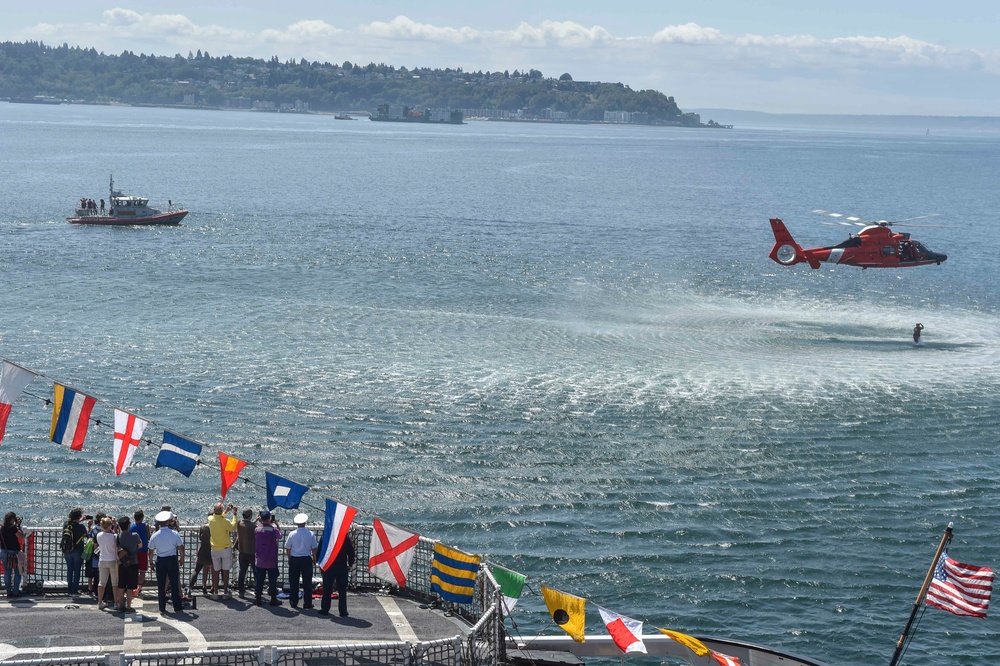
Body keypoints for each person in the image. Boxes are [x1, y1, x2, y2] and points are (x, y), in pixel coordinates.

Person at [148, 510, 185, 614]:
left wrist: (151, 562)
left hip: (160, 560)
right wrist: (181, 558)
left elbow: (150, 551)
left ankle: (162, 607)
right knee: (174, 583)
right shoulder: (175, 534)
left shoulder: (155, 535)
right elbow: (181, 548)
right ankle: (177, 606)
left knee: (161, 584)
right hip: (172, 559)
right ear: (168, 521)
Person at [319, 530, 356, 617]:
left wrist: (320, 564)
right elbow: (351, 552)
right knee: (342, 590)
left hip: (328, 565)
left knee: (327, 589)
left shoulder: (325, 536)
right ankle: (343, 611)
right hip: (341, 566)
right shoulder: (344, 537)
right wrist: (350, 564)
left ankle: (325, 609)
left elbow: (320, 551)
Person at [285, 513, 317, 610]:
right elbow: (314, 548)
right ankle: (307, 602)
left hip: (295, 559)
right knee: (307, 582)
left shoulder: (292, 534)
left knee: (294, 581)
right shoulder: (310, 534)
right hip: (306, 559)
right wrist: (314, 558)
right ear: (305, 522)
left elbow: (288, 547)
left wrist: (289, 558)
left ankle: (293, 601)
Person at [208, 503, 238, 599]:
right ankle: (225, 591)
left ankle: (215, 592)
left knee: (215, 571)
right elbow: (233, 527)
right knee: (225, 571)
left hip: (214, 549)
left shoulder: (210, 520)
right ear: (221, 511)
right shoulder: (225, 521)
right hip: (225, 549)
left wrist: (225, 511)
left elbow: (218, 517)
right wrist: (234, 514)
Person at [253, 511, 282, 607]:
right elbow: (280, 536)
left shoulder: (257, 529)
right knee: (272, 580)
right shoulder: (273, 530)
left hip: (260, 559)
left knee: (259, 580)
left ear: (261, 518)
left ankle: (258, 599)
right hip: (271, 559)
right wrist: (276, 524)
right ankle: (273, 599)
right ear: (269, 518)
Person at [95, 516, 123, 611]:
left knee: (102, 582)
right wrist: (115, 525)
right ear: (110, 525)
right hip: (113, 560)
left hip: (102, 560)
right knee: (115, 583)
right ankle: (116, 602)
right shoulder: (114, 536)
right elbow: (116, 540)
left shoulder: (99, 535)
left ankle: (100, 602)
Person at [116, 516, 140, 613]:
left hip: (122, 563)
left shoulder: (119, 536)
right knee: (130, 587)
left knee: (121, 586)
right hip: (133, 563)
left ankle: (120, 605)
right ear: (129, 525)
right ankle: (129, 607)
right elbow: (140, 545)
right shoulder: (135, 535)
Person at [64, 508, 89, 595]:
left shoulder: (66, 524)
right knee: (77, 570)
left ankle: (69, 589)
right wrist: (89, 526)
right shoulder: (81, 527)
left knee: (69, 570)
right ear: (79, 517)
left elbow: (73, 524)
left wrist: (80, 520)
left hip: (67, 550)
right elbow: (86, 534)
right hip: (78, 550)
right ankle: (75, 590)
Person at [129, 509, 151, 597]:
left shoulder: (131, 527)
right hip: (143, 551)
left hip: (134, 551)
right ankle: (139, 587)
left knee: (135, 570)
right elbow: (149, 537)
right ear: (142, 518)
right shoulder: (145, 526)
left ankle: (133, 587)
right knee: (142, 571)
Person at [1, 512, 24, 598]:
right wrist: (18, 526)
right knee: (18, 572)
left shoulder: (2, 528)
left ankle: (8, 592)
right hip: (14, 553)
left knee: (7, 572)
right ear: (13, 519)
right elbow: (21, 537)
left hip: (4, 552)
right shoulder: (13, 528)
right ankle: (16, 592)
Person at [235, 508, 256, 598]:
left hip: (242, 551)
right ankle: (257, 591)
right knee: (256, 572)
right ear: (250, 516)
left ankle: (241, 591)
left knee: (242, 572)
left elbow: (247, 525)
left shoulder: (239, 524)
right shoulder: (253, 527)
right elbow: (251, 527)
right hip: (252, 552)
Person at [190, 519, 213, 595]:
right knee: (214, 569)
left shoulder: (203, 527)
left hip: (203, 550)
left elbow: (200, 538)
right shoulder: (214, 526)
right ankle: (214, 587)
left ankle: (201, 586)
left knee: (198, 570)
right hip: (212, 549)